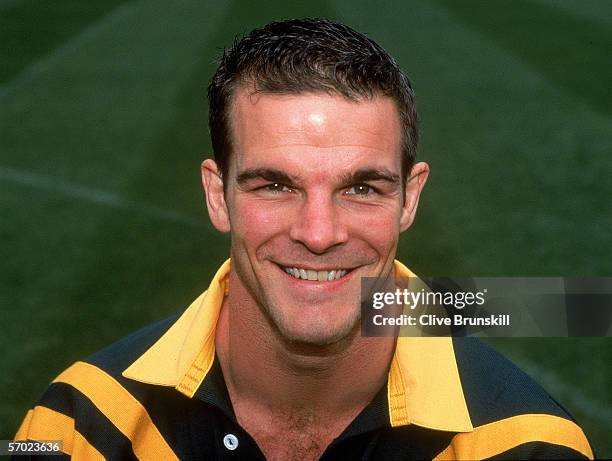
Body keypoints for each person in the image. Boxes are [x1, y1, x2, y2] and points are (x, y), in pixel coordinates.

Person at [15, 18, 593, 460]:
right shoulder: (77, 428)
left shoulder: (529, 444)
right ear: (218, 196)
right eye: (274, 185)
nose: (320, 233)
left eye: (362, 188)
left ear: (409, 199)